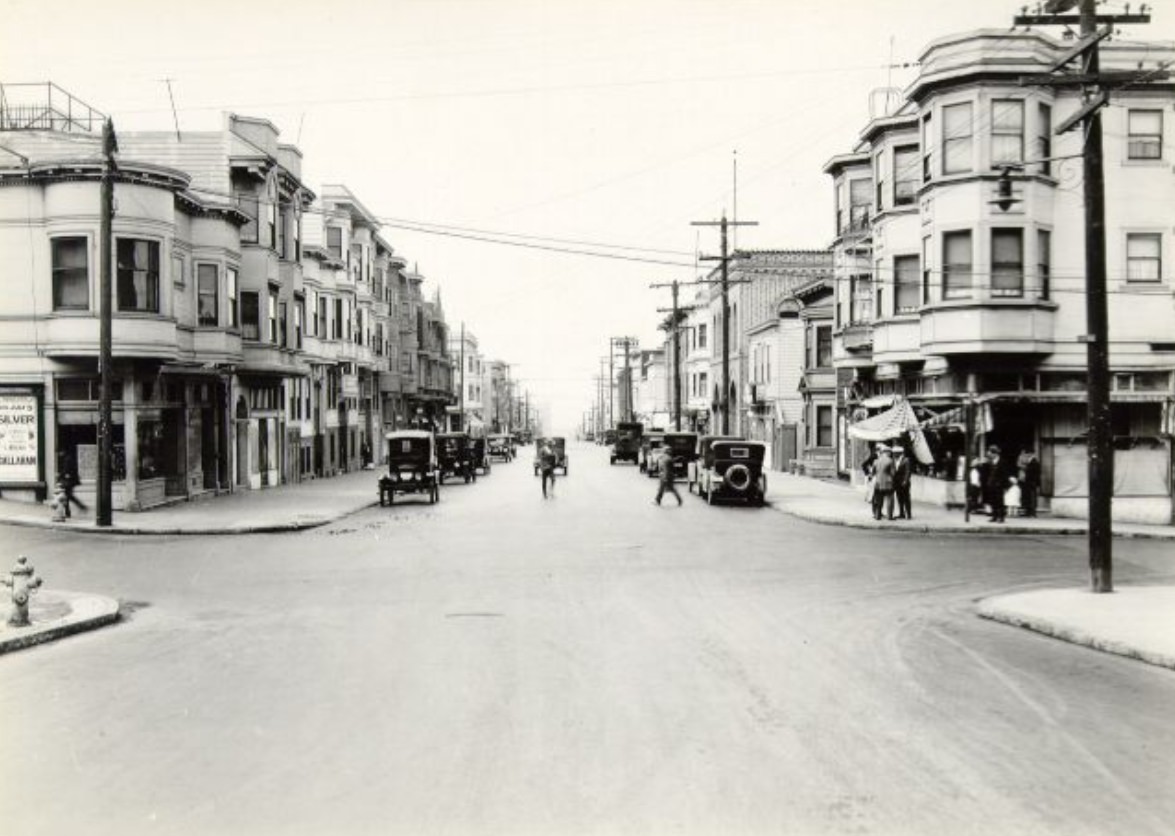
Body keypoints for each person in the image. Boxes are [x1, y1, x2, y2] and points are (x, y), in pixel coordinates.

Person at [979, 445, 1013, 523]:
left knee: (999, 501)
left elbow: (1005, 474)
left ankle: (1001, 516)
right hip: (991, 484)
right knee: (992, 500)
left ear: (995, 454)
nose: (989, 455)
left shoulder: (1002, 462)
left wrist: (1003, 484)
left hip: (999, 485)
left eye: (990, 453)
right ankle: (994, 516)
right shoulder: (990, 462)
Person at [56, 449, 86, 519]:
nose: (59, 454)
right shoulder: (68, 458)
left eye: (60, 452)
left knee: (67, 496)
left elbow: (66, 470)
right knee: (68, 496)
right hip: (71, 481)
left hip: (69, 481)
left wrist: (60, 475)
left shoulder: (67, 459)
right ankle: (70, 511)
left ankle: (70, 511)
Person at [871, 445, 895, 521]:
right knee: (890, 499)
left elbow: (873, 472)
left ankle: (878, 516)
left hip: (878, 482)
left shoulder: (876, 461)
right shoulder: (890, 461)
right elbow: (893, 473)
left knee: (878, 500)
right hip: (888, 483)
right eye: (890, 452)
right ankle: (889, 516)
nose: (890, 454)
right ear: (887, 452)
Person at [1017, 448, 1041, 517]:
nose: (1027, 456)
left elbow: (1035, 473)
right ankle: (1029, 511)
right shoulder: (1030, 461)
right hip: (1028, 482)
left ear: (1031, 454)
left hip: (1031, 482)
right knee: (1028, 497)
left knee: (1032, 497)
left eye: (1028, 454)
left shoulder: (1034, 461)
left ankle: (1032, 512)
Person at [893, 445, 913, 520]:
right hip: (897, 482)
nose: (894, 454)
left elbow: (908, 471)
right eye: (894, 453)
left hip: (904, 482)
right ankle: (901, 513)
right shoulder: (895, 460)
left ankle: (909, 514)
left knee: (906, 498)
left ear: (900, 453)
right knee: (899, 498)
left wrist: (905, 480)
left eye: (895, 453)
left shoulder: (906, 460)